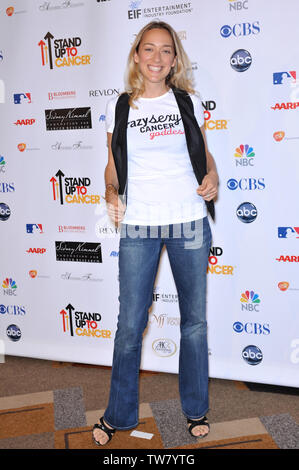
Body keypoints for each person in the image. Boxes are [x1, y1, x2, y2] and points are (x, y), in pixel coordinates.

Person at [92, 20, 219, 446]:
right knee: (129, 324)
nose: (157, 58)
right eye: (149, 49)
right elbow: (112, 165)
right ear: (136, 55)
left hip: (188, 219)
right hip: (139, 223)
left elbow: (206, 156)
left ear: (174, 59)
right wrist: (111, 191)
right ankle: (119, 413)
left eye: (166, 51)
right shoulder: (121, 106)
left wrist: (214, 178)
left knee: (194, 323)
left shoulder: (188, 103)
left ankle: (196, 410)